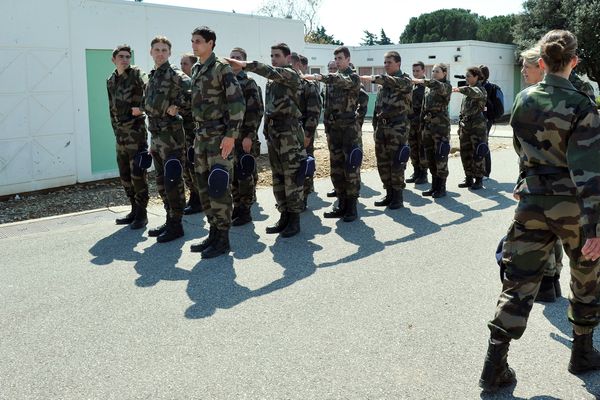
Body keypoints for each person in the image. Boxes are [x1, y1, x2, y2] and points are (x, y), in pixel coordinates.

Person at [479, 30, 600, 393]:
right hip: (574, 208)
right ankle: (581, 351)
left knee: (518, 282)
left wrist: (526, 182)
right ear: (574, 61)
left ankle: (494, 365)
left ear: (542, 62)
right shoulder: (583, 105)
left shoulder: (524, 99)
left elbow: (521, 150)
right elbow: (590, 171)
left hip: (532, 200)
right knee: (586, 278)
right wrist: (595, 227)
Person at [226, 43, 306, 237]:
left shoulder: (290, 75)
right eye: (271, 56)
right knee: (278, 177)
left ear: (288, 59)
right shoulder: (273, 81)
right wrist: (265, 132)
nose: (273, 59)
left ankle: (294, 219)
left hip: (288, 133)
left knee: (291, 177)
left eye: (277, 56)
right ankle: (284, 215)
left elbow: (268, 71)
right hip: (275, 133)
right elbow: (267, 109)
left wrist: (244, 64)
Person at [186, 27, 245, 258]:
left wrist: (231, 135)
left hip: (219, 137)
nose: (194, 45)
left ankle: (223, 239)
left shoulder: (221, 68)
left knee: (219, 187)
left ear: (210, 43)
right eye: (192, 41)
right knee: (203, 186)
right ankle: (213, 232)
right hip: (201, 137)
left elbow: (237, 104)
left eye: (198, 41)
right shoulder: (197, 68)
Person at [133, 36, 190, 243]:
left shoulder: (175, 74)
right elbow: (147, 103)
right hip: (156, 137)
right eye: (156, 49)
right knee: (161, 182)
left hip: (172, 137)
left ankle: (177, 225)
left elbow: (194, 92)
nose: (160, 53)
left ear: (169, 53)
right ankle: (169, 218)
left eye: (164, 50)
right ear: (151, 52)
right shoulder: (153, 76)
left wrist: (179, 105)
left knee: (173, 181)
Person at [519, 46, 564, 303]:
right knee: (550, 229)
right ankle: (551, 281)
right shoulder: (531, 95)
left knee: (543, 229)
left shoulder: (548, 96)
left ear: (542, 67)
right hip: (540, 176)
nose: (523, 71)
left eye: (527, 66)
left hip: (551, 178)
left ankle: (548, 281)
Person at [306, 46, 362, 222]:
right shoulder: (332, 81)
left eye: (340, 58)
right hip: (334, 129)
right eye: (335, 58)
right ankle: (341, 203)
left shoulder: (352, 77)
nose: (337, 61)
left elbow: (342, 81)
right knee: (336, 168)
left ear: (348, 59)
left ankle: (351, 207)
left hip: (348, 130)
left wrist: (320, 77)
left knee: (350, 168)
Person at [360, 51, 412, 209]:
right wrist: (376, 128)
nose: (386, 65)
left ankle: (397, 196)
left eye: (389, 62)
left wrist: (374, 78)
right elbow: (378, 107)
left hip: (397, 128)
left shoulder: (405, 80)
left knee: (396, 162)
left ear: (398, 63)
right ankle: (389, 193)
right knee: (382, 162)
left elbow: (392, 81)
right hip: (382, 128)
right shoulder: (385, 85)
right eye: (385, 62)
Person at [106, 45, 150, 230]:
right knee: (125, 175)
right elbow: (111, 108)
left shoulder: (137, 74)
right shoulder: (110, 80)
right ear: (113, 59)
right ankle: (133, 209)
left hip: (136, 134)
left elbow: (152, 93)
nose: (125, 59)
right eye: (121, 56)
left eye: (127, 56)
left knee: (137, 175)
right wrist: (116, 130)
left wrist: (142, 108)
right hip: (121, 136)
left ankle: (142, 213)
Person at [228, 47, 264, 226]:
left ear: (243, 62)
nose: (233, 59)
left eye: (238, 57)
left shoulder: (248, 83)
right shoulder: (225, 81)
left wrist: (249, 135)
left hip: (243, 136)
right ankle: (237, 206)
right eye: (232, 56)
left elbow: (256, 111)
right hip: (229, 137)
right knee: (233, 174)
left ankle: (245, 209)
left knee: (244, 173)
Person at [412, 63, 452, 198]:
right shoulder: (429, 88)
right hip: (428, 127)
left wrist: (422, 81)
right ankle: (434, 186)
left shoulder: (446, 86)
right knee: (430, 157)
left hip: (440, 128)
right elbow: (424, 107)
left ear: (444, 73)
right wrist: (422, 124)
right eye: (433, 71)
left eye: (437, 71)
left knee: (441, 157)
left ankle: (442, 187)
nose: (434, 73)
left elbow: (438, 86)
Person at [292, 53, 322, 210]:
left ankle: (302, 198)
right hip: (286, 135)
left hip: (301, 133)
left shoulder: (307, 84)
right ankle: (291, 198)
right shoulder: (283, 83)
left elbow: (314, 112)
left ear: (297, 65)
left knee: (303, 165)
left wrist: (308, 134)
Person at [452, 67, 487, 190]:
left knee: (478, 153)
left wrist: (459, 89)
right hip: (465, 126)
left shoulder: (480, 90)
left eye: (469, 76)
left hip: (477, 127)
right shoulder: (466, 92)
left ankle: (478, 179)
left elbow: (473, 92)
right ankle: (468, 177)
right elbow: (463, 111)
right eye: (466, 76)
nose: (466, 78)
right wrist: (459, 127)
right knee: (465, 152)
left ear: (476, 77)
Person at [179, 53, 203, 215]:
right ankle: (193, 195)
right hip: (182, 132)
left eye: (185, 64)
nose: (182, 67)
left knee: (194, 166)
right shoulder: (180, 84)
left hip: (194, 132)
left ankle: (199, 198)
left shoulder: (197, 84)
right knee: (186, 167)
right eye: (181, 64)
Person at [406, 61, 428, 185]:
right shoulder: (413, 86)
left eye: (418, 71)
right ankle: (416, 171)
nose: (415, 73)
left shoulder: (426, 86)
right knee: (413, 148)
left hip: (421, 123)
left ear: (423, 71)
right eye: (413, 71)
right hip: (411, 123)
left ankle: (423, 174)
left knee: (421, 149)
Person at [323, 60, 338, 199]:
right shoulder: (327, 86)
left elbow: (362, 101)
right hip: (331, 128)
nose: (332, 70)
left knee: (346, 161)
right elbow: (326, 109)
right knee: (334, 159)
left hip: (345, 129)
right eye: (330, 68)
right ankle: (337, 187)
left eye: (335, 68)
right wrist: (327, 130)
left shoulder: (344, 82)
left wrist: (357, 122)